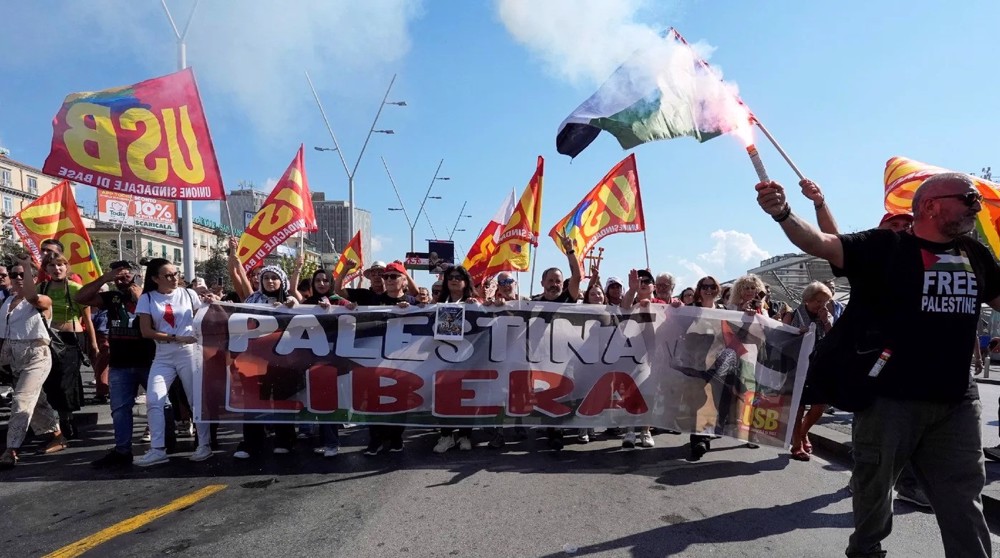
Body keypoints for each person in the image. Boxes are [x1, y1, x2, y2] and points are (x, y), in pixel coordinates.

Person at [758, 173, 998, 558]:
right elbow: (820, 242)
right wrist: (784, 212)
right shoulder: (885, 247)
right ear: (932, 205)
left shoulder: (975, 254)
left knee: (964, 497)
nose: (977, 206)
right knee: (873, 491)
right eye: (969, 198)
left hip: (957, 400)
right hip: (889, 398)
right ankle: (866, 550)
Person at [76, 260, 157, 469]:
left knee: (159, 406)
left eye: (126, 274)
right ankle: (122, 450)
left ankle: (163, 445)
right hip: (120, 363)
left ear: (137, 275)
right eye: (118, 275)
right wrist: (104, 279)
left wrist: (136, 290)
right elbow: (80, 298)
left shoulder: (149, 295)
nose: (122, 279)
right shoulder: (111, 297)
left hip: (149, 361)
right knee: (120, 409)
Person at [134, 258, 214, 466]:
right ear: (155, 278)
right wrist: (176, 337)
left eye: (176, 273)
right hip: (163, 355)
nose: (174, 278)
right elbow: (146, 331)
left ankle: (204, 445)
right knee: (154, 399)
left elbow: (204, 315)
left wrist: (211, 301)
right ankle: (158, 449)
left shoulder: (188, 294)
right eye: (168, 275)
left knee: (195, 399)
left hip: (189, 353)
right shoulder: (148, 298)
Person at [338, 260, 416, 455]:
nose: (388, 280)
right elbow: (340, 292)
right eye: (385, 276)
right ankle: (376, 439)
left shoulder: (412, 303)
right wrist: (351, 308)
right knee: (373, 399)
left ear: (403, 280)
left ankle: (396, 438)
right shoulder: (371, 300)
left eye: (393, 276)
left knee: (399, 399)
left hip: (401, 359)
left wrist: (410, 309)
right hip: (373, 358)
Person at [0, 259, 64, 468]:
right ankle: (57, 435)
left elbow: (31, 295)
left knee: (21, 399)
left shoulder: (40, 300)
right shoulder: (6, 302)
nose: (18, 278)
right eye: (14, 274)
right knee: (36, 401)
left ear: (34, 278)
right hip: (14, 357)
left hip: (37, 355)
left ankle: (11, 449)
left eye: (23, 275)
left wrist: (27, 266)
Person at [529, 233, 583, 450]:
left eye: (558, 281)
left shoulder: (567, 298)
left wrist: (570, 252)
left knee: (562, 392)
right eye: (550, 281)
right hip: (539, 358)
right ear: (542, 282)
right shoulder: (530, 303)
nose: (554, 284)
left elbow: (577, 277)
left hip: (565, 356)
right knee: (544, 394)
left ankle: (557, 430)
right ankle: (550, 427)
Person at [38, 253, 97, 443]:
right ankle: (58, 421)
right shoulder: (42, 288)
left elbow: (88, 319)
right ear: (46, 269)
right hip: (48, 338)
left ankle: (67, 419)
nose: (57, 269)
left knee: (65, 382)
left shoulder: (76, 289)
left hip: (71, 338)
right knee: (50, 381)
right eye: (52, 266)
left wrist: (94, 345)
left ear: (67, 267)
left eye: (60, 265)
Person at [782, 281, 835, 462]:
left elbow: (834, 340)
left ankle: (804, 433)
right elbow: (782, 340)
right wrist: (797, 333)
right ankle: (797, 446)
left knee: (819, 407)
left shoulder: (827, 316)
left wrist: (826, 322)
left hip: (819, 368)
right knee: (798, 408)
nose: (821, 305)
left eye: (825, 301)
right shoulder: (793, 315)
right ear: (807, 300)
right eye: (818, 301)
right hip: (797, 368)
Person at [433, 265, 481, 453]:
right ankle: (446, 436)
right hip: (441, 359)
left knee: (465, 399)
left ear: (466, 281)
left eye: (458, 277)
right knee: (443, 398)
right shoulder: (437, 303)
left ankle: (465, 435)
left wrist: (478, 307)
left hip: (468, 359)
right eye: (450, 277)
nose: (454, 280)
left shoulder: (474, 303)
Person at [620, 268, 667, 449]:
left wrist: (676, 308)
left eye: (647, 281)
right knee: (630, 391)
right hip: (631, 353)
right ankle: (629, 430)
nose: (643, 284)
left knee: (649, 393)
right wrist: (632, 290)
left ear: (653, 286)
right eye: (640, 281)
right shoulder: (630, 301)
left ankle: (645, 430)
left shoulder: (660, 303)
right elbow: (624, 308)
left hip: (654, 355)